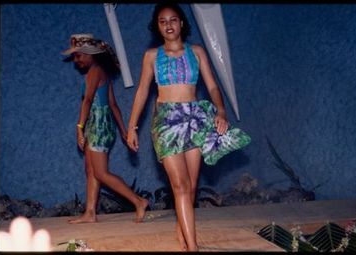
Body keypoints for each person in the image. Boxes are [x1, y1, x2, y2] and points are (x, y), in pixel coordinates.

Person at [126, 3, 251, 251]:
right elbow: (142, 91)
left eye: (173, 20)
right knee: (180, 185)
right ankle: (193, 247)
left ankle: (183, 235)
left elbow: (213, 86)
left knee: (191, 186)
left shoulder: (197, 52)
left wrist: (221, 110)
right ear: (157, 26)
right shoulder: (151, 56)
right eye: (163, 21)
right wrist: (132, 126)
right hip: (166, 122)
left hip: (195, 120)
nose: (169, 25)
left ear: (181, 23)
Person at [61, 34, 148, 224]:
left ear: (89, 54)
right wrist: (124, 131)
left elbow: (88, 100)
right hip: (99, 124)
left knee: (100, 172)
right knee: (91, 170)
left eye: (78, 55)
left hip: (99, 125)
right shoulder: (100, 72)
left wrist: (79, 127)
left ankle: (138, 201)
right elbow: (113, 105)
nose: (76, 60)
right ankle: (90, 212)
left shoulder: (95, 72)